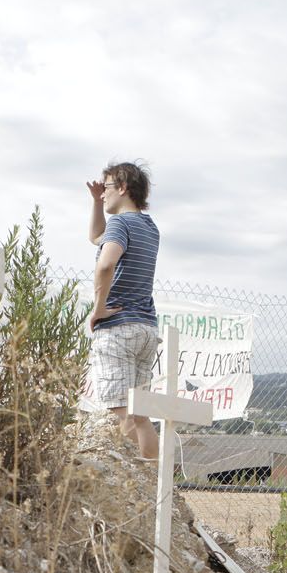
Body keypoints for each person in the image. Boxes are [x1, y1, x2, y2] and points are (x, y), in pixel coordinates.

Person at [85, 162, 161, 458]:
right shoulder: (149, 227)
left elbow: (105, 264)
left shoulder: (120, 224)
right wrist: (94, 203)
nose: (102, 195)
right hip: (145, 327)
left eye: (105, 189)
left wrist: (98, 308)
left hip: (117, 326)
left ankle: (129, 485)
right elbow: (96, 238)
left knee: (120, 412)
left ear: (123, 188)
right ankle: (151, 488)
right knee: (140, 416)